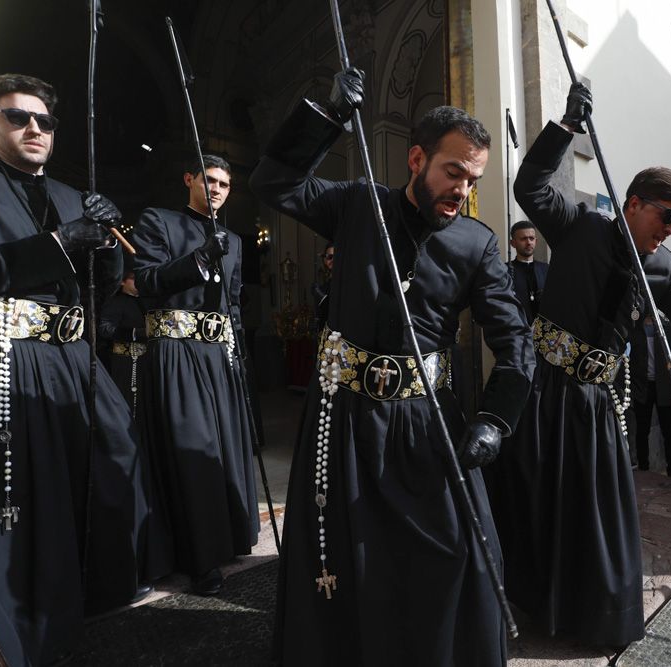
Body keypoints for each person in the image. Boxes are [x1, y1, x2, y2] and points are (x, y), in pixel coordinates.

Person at [249, 70, 534, 667]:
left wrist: (494, 422)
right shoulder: (358, 205)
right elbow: (274, 183)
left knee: (460, 548)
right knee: (342, 554)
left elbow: (515, 345)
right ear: (416, 159)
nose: (462, 190)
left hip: (425, 422)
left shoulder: (476, 245)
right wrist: (326, 119)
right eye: (453, 172)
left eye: (473, 180)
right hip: (343, 420)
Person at [490, 83, 671, 647]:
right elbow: (529, 186)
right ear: (633, 203)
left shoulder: (665, 272)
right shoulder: (580, 226)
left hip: (594, 404)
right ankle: (526, 604)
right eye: (667, 217)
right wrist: (565, 127)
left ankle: (587, 614)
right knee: (532, 501)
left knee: (593, 515)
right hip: (540, 392)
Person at [0, 73, 152, 665]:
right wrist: (58, 243)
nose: (34, 129)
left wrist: (102, 241)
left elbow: (100, 290)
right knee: (22, 488)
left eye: (44, 121)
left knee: (117, 449)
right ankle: (19, 624)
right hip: (7, 356)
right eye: (17, 117)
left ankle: (99, 588)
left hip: (73, 357)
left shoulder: (76, 196)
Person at [132, 154, 258, 596]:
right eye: (210, 180)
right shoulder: (159, 221)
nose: (219, 189)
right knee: (192, 448)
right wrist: (199, 260)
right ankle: (197, 558)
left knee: (223, 449)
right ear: (190, 179)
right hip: (175, 349)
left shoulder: (235, 240)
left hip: (219, 353)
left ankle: (228, 541)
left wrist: (240, 356)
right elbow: (144, 280)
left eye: (226, 183)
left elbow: (235, 303)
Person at [627, 313, 671, 475]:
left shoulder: (669, 327)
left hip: (666, 387)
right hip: (642, 387)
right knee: (642, 430)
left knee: (669, 430)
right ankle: (643, 467)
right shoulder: (634, 328)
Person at [98, 260, 147, 416]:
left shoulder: (145, 301)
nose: (137, 283)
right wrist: (134, 333)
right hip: (124, 362)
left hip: (146, 361)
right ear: (122, 282)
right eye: (133, 279)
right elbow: (104, 329)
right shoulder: (115, 301)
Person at [507, 220, 549, 321]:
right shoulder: (504, 271)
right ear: (513, 243)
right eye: (523, 239)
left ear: (536, 241)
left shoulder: (547, 269)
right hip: (516, 331)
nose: (529, 242)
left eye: (531, 238)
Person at [311, 242, 334, 335]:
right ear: (325, 260)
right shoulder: (325, 282)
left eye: (335, 256)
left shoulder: (345, 281)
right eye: (329, 257)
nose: (332, 260)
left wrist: (323, 299)